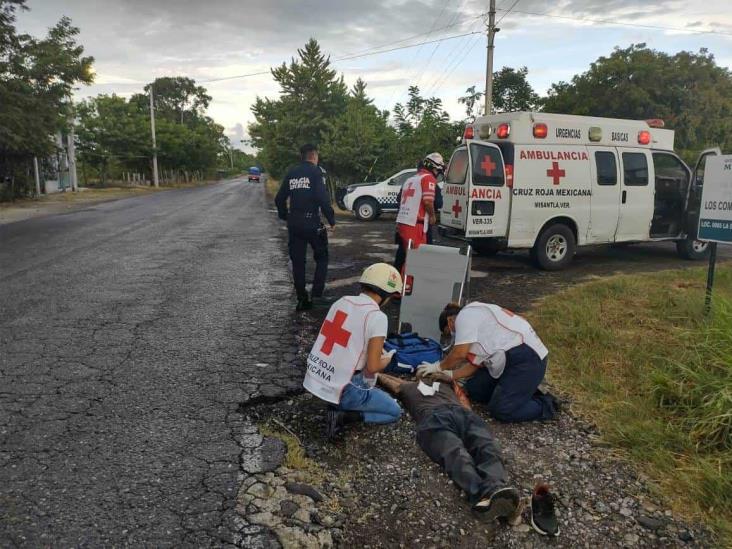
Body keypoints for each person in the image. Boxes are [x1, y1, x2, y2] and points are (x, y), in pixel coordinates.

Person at [303, 263, 403, 439]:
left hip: (318, 380)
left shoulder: (341, 302)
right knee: (394, 412)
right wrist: (387, 359)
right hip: (345, 389)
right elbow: (372, 367)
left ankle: (336, 405)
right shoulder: (377, 316)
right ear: (385, 295)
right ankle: (344, 416)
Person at [418, 302, 559, 423]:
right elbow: (475, 365)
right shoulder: (476, 320)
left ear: (450, 321)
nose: (452, 335)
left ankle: (547, 405)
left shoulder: (464, 317)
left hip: (528, 359)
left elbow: (459, 354)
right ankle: (520, 391)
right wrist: (450, 375)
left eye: (448, 332)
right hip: (510, 359)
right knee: (475, 389)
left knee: (502, 410)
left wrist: (437, 366)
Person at [275, 144, 336, 311]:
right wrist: (331, 220)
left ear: (302, 156)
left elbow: (279, 198)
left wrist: (284, 215)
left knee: (298, 262)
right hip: (312, 223)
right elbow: (322, 198)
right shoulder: (316, 172)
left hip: (294, 224)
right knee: (322, 257)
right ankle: (316, 296)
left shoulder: (292, 173)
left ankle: (302, 299)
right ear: (314, 156)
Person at [393, 153, 444, 274]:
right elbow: (428, 202)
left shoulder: (410, 179)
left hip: (403, 222)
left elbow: (399, 200)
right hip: (415, 224)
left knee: (404, 256)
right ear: (434, 168)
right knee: (415, 259)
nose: (438, 173)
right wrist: (432, 216)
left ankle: (396, 283)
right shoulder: (428, 179)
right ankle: (407, 288)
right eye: (438, 170)